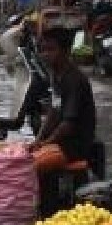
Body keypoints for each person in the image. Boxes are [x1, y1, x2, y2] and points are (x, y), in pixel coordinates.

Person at [30, 27, 96, 174]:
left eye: (51, 50)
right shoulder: (55, 74)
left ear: (66, 51)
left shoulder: (74, 80)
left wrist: (45, 143)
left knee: (31, 166)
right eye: (43, 50)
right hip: (60, 141)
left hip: (74, 145)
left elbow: (69, 124)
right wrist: (38, 140)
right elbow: (53, 111)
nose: (45, 54)